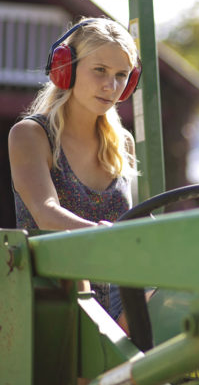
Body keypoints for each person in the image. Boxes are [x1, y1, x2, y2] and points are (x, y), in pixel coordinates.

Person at [9, 17, 140, 324]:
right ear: (65, 69)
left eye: (122, 75)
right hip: (56, 292)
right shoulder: (30, 135)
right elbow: (45, 212)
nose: (111, 85)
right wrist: (102, 236)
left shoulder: (124, 143)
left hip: (121, 288)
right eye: (100, 71)